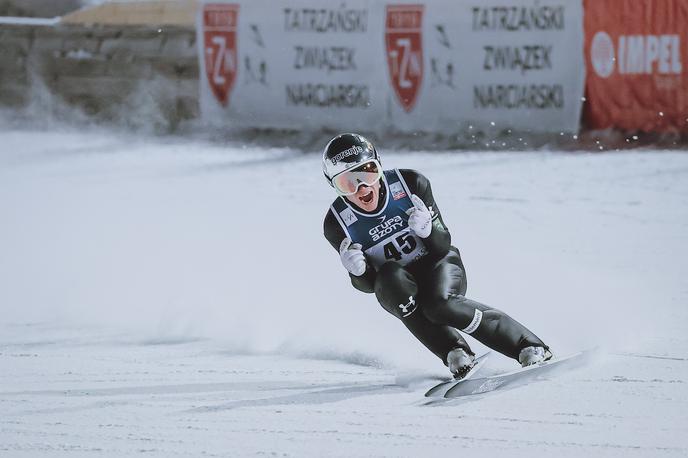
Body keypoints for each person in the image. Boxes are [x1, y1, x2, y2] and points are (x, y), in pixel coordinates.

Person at [322, 133, 551, 378]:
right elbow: (371, 286)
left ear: (380, 167)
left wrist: (429, 230)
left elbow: (442, 245)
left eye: (368, 173)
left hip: (438, 263)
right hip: (397, 284)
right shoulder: (337, 224)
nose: (362, 188)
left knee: (439, 304)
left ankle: (527, 345)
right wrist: (358, 273)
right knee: (389, 279)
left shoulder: (410, 183)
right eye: (348, 183)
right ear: (334, 187)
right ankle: (455, 353)